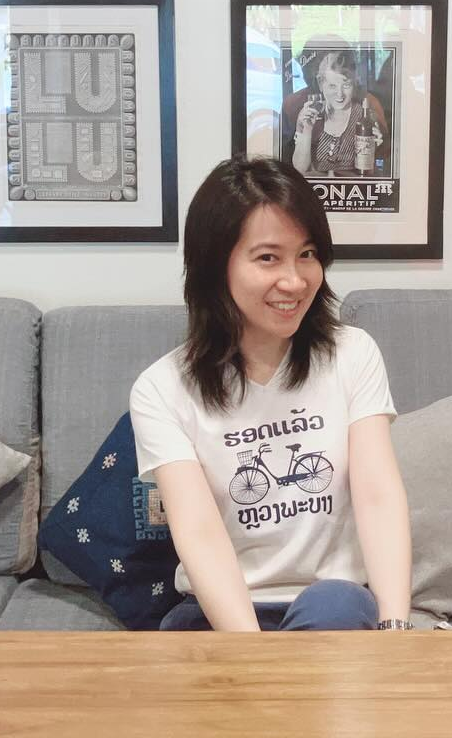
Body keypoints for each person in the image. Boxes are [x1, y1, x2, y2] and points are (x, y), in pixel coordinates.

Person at [130, 157, 412, 632]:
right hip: (221, 611)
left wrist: (396, 628)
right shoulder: (162, 389)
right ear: (214, 265)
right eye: (268, 258)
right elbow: (199, 533)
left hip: (332, 606)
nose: (295, 281)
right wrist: (254, 658)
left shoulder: (351, 354)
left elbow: (378, 496)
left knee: (334, 607)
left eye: (307, 254)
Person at [290, 51, 389, 177]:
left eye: (346, 85)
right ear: (321, 84)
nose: (340, 94)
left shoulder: (366, 117)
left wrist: (378, 150)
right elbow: (300, 170)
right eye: (332, 86)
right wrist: (307, 130)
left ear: (354, 84)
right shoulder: (310, 114)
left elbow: (378, 170)